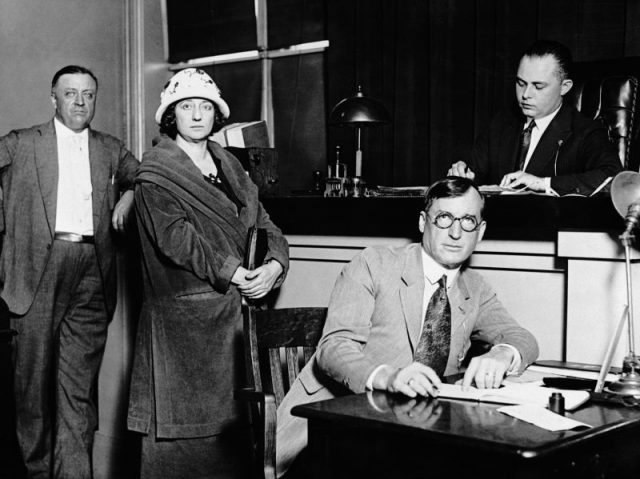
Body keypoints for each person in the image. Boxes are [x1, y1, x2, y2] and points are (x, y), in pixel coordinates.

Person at [275, 176, 539, 477]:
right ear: (422, 222)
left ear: (480, 233)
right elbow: (334, 348)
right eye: (444, 218)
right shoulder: (373, 264)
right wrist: (390, 377)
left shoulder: (475, 289)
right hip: (328, 433)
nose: (455, 232)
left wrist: (503, 353)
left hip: (410, 437)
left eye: (467, 221)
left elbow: (523, 338)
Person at [126, 68, 289, 479]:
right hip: (184, 333)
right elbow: (177, 239)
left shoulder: (231, 166)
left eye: (205, 106)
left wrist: (274, 265)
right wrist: (236, 273)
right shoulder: (156, 174)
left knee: (233, 449)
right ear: (171, 116)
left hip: (235, 327)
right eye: (186, 107)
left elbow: (264, 223)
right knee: (184, 450)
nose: (197, 115)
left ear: (216, 113)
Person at [0, 65, 139, 478]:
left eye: (88, 95)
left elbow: (145, 175)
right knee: (33, 393)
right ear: (53, 98)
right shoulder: (23, 143)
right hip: (38, 271)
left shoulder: (110, 148)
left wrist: (130, 192)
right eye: (70, 93)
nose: (80, 102)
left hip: (93, 271)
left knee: (77, 393)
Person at [448, 40, 621, 196]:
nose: (525, 95)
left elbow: (613, 178)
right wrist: (465, 176)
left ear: (565, 87)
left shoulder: (586, 131)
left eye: (538, 86)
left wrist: (542, 183)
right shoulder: (502, 123)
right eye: (521, 83)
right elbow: (476, 172)